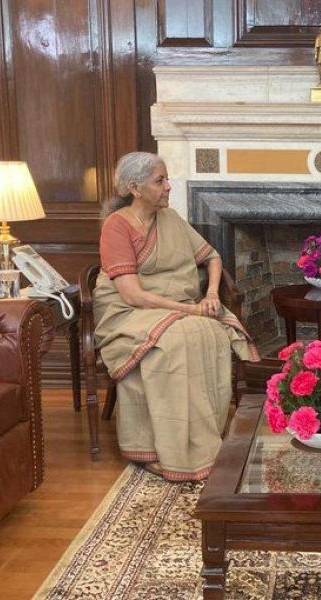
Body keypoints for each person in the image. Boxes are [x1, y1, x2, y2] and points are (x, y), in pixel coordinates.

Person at [93, 151, 259, 481]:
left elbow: (212, 257)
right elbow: (132, 295)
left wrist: (211, 295)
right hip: (127, 312)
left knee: (209, 333)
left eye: (167, 179)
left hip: (173, 307)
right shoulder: (117, 227)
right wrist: (192, 309)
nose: (169, 186)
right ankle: (160, 449)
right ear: (135, 188)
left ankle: (202, 443)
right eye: (160, 181)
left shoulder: (170, 219)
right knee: (176, 341)